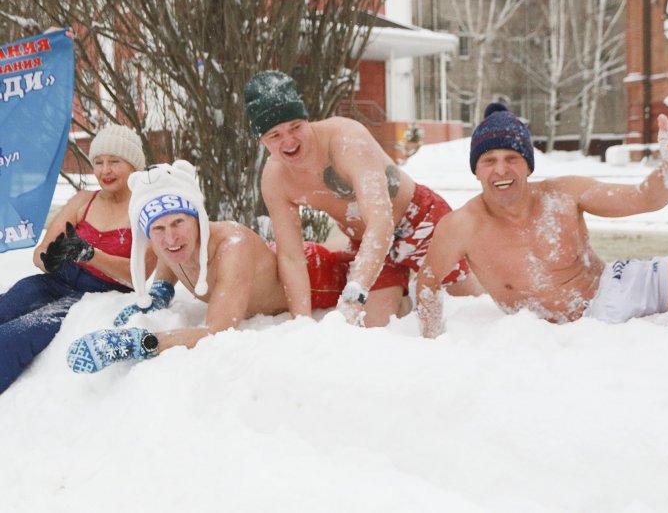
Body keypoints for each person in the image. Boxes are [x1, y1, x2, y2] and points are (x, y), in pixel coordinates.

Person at [416, 103, 668, 338]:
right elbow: (429, 283)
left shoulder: (563, 194)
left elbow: (644, 198)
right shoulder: (461, 226)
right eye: (489, 160)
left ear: (528, 165)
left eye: (511, 158)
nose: (501, 170)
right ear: (476, 170)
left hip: (617, 284)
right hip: (591, 327)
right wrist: (432, 342)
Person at [244, 70, 481, 328]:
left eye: (295, 127)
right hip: (367, 243)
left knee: (472, 305)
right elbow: (291, 256)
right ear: (261, 140)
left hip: (419, 221)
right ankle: (404, 296)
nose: (289, 141)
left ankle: (426, 277)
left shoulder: (346, 140)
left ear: (306, 120)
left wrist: (355, 291)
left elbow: (381, 221)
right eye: (275, 135)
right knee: (372, 324)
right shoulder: (276, 179)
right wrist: (302, 322)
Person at [66, 160, 349, 373]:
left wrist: (138, 342)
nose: (171, 237)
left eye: (179, 222)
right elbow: (167, 256)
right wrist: (160, 293)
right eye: (159, 228)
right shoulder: (166, 241)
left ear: (198, 218)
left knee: (351, 261)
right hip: (263, 261)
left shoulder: (232, 250)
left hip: (316, 273)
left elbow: (218, 332)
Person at [0, 124, 155, 393]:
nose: (105, 170)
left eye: (114, 161)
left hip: (93, 296)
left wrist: (91, 255)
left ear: (134, 166)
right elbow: (41, 253)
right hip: (56, 280)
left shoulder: (146, 211)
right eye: (98, 162)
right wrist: (49, 260)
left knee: (17, 335)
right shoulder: (83, 200)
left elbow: (137, 275)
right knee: (8, 305)